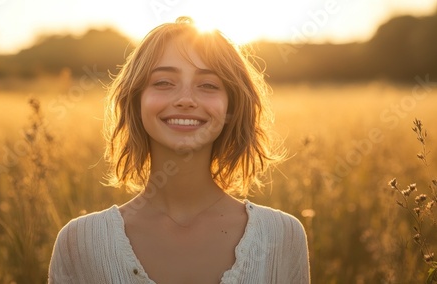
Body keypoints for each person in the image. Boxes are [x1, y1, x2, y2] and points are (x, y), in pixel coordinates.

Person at [48, 16, 310, 284]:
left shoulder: (282, 236)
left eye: (208, 85)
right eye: (163, 82)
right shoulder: (80, 242)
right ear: (136, 101)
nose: (186, 100)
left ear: (231, 108)